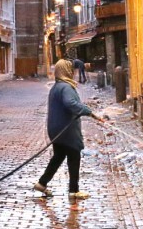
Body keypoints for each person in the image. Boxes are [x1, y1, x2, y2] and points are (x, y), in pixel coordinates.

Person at [34, 58, 104, 200]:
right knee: (74, 156)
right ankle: (74, 190)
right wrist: (89, 112)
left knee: (58, 156)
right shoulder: (66, 87)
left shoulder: (56, 87)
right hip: (66, 129)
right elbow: (70, 103)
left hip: (56, 129)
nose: (73, 72)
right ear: (67, 71)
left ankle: (42, 183)